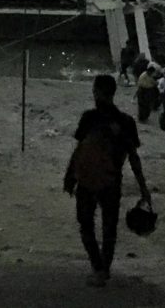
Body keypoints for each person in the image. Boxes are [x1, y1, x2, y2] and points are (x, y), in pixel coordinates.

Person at [64, 74, 152, 288]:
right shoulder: (125, 122)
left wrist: (70, 176)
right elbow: (133, 157)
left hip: (88, 180)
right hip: (111, 181)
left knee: (87, 224)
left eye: (95, 91)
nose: (94, 94)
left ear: (99, 92)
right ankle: (103, 268)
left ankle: (98, 267)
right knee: (108, 227)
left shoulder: (90, 118)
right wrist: (143, 188)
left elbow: (79, 150)